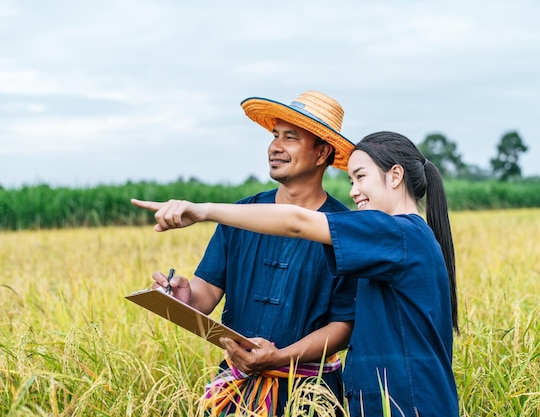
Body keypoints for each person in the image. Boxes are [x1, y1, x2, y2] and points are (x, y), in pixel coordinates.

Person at [132, 131, 460, 417]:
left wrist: (202, 210)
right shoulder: (392, 238)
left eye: (361, 177)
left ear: (395, 176)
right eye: (351, 180)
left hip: (406, 404)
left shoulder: (397, 233)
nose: (353, 191)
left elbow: (297, 222)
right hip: (389, 402)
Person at [141, 91, 357, 416]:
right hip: (236, 389)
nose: (275, 147)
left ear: (321, 152)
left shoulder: (343, 230)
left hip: (312, 396)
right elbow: (207, 292)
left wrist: (282, 358)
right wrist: (184, 297)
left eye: (291, 137)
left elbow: (343, 325)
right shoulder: (240, 214)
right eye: (274, 136)